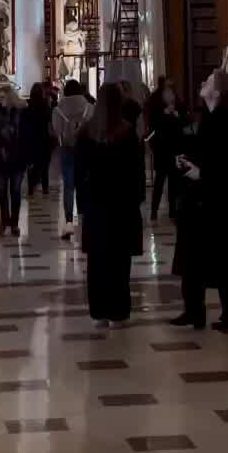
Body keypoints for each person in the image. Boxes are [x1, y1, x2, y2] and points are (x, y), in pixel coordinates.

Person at [172, 69, 228, 332]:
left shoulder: (225, 123)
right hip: (205, 201)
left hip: (219, 204)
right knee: (197, 258)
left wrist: (201, 172)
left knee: (224, 259)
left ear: (216, 92)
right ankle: (194, 311)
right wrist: (187, 160)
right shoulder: (210, 119)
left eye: (208, 81)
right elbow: (206, 153)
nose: (202, 82)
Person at [76, 81, 144, 328]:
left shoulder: (85, 133)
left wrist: (82, 207)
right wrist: (137, 202)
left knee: (97, 261)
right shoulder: (127, 134)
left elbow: (79, 175)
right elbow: (136, 174)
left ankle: (99, 310)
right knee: (119, 261)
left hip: (96, 207)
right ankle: (118, 311)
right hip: (121, 206)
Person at [53, 77, 93, 238]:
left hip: (67, 149)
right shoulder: (89, 108)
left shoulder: (58, 110)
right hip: (85, 151)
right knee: (84, 183)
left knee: (69, 186)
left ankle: (69, 222)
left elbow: (56, 131)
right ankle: (84, 220)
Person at [0, 95, 26, 237]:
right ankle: (4, 219)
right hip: (2, 158)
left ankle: (14, 223)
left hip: (18, 158)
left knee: (15, 190)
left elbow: (26, 136)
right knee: (1, 190)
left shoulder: (21, 115)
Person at [146, 77, 186, 222]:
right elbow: (153, 123)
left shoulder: (178, 103)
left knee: (174, 179)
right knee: (160, 178)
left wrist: (176, 115)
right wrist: (165, 114)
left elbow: (184, 120)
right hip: (162, 146)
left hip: (175, 146)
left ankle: (172, 210)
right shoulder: (156, 103)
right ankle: (155, 210)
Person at [23, 81, 54, 196]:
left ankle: (31, 188)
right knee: (44, 165)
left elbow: (24, 125)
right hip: (43, 138)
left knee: (31, 164)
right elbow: (49, 125)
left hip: (31, 139)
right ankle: (45, 188)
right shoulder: (46, 108)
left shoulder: (27, 107)